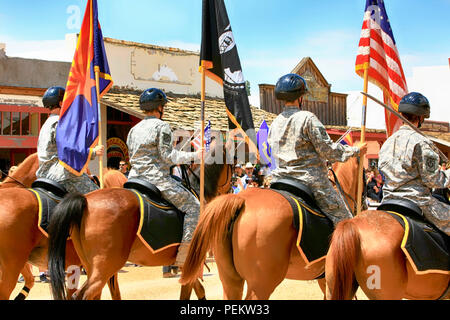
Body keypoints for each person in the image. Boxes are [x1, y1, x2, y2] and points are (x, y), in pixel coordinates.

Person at [268, 73, 367, 226]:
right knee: (347, 223)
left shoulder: (275, 122)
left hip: (279, 180)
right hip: (310, 182)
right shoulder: (307, 118)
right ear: (301, 97)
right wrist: (356, 151)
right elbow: (328, 151)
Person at [126, 88, 202, 267]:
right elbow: (169, 157)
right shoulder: (162, 126)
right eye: (163, 106)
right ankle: (185, 256)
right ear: (159, 107)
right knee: (194, 207)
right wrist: (195, 156)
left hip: (134, 179)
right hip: (157, 179)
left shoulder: (133, 129)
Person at [379, 92, 449, 236]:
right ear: (421, 117)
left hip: (387, 201)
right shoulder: (421, 142)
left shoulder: (387, 142)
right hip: (417, 201)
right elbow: (433, 180)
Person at [36, 86, 105, 194]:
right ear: (60, 103)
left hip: (44, 174)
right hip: (62, 175)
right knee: (99, 196)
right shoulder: (60, 123)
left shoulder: (46, 124)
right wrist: (93, 152)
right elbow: (69, 151)